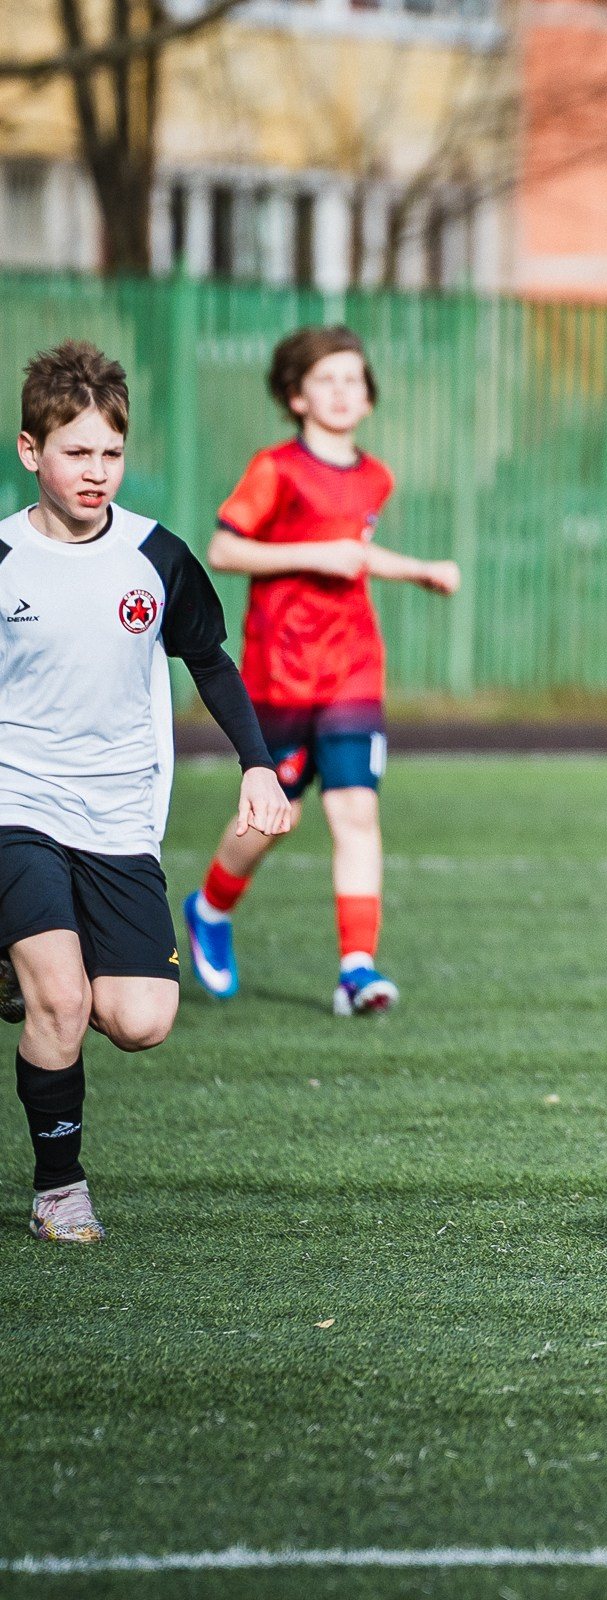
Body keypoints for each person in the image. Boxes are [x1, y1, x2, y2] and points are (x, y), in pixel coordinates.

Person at [2, 341, 294, 1242]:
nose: (96, 472)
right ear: (30, 451)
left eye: (111, 453)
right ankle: (60, 1188)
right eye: (76, 451)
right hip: (17, 803)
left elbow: (209, 658)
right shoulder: (3, 557)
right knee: (62, 1000)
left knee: (139, 1019)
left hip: (121, 815)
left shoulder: (154, 558)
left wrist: (257, 762)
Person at [180, 327, 461, 1015]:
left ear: (368, 397)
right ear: (295, 394)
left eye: (352, 379)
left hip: (352, 671)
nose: (342, 391)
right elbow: (223, 549)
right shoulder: (275, 469)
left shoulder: (376, 477)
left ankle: (356, 969)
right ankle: (211, 909)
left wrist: (419, 570)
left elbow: (354, 553)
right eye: (326, 379)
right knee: (274, 818)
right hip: (280, 673)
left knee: (355, 811)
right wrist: (309, 555)